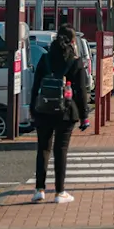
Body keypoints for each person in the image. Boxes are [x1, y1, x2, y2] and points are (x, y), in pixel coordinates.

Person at [29, 25, 90, 204]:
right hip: (66, 111)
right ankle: (59, 192)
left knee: (43, 149)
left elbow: (36, 86)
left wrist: (33, 109)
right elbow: (81, 92)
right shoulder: (75, 62)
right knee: (60, 151)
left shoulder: (45, 59)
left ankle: (39, 189)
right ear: (72, 41)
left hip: (43, 110)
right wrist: (84, 116)